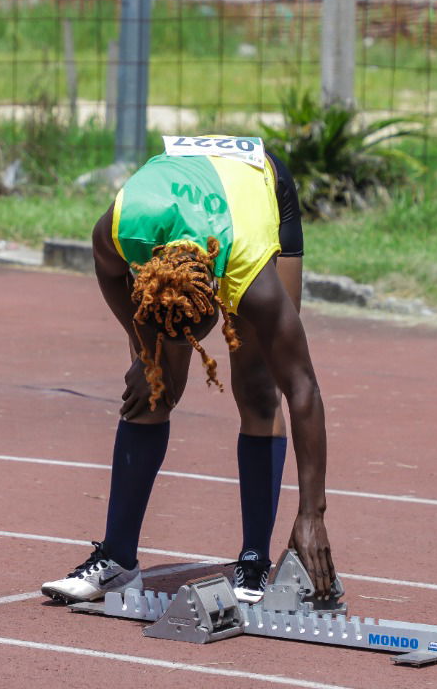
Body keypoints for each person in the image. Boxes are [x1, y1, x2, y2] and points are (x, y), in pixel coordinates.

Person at [41, 135, 336, 605]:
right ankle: (118, 558)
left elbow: (304, 389)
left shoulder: (251, 276)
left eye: (194, 339)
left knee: (260, 387)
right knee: (154, 387)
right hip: (180, 183)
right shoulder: (122, 230)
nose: (190, 349)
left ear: (219, 307)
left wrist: (312, 515)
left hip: (259, 187)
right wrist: (143, 353)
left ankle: (255, 557)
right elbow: (109, 272)